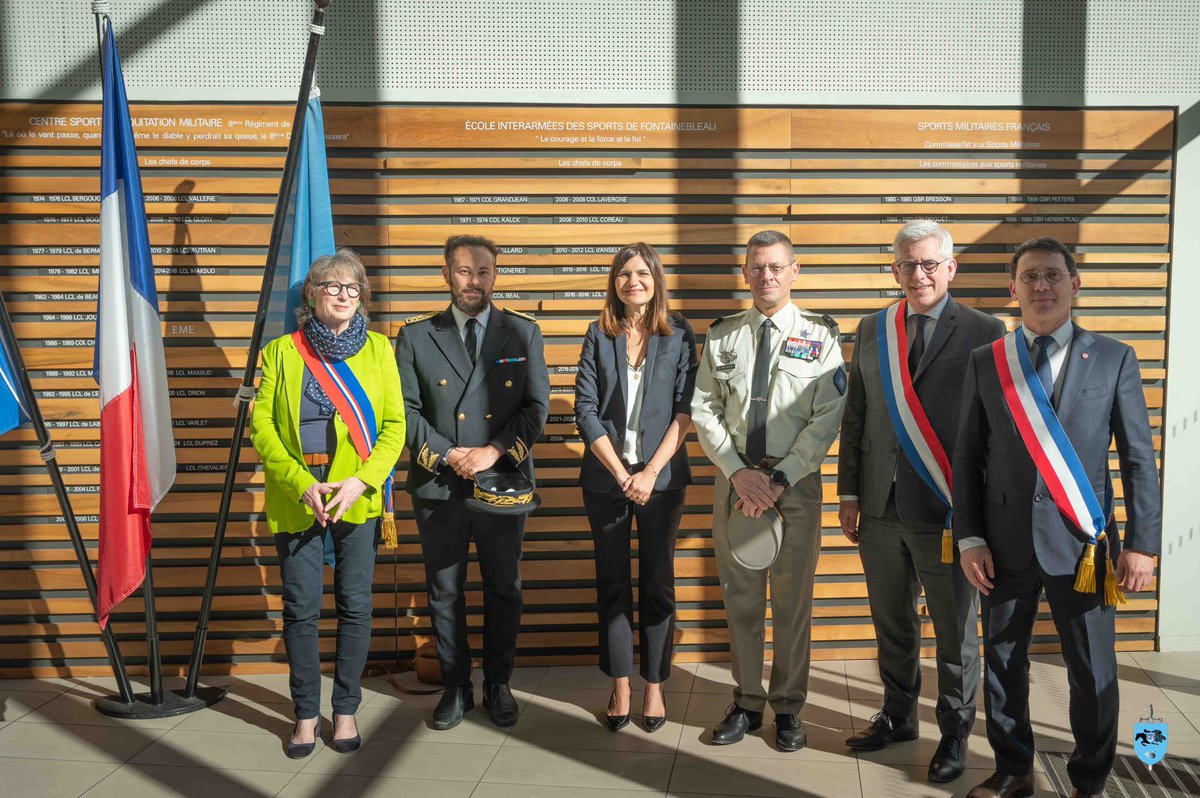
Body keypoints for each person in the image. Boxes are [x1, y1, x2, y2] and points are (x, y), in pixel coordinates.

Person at [954, 237, 1160, 798]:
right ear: (1012, 288)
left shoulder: (1115, 357)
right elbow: (968, 456)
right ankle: (1013, 769)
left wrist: (1142, 544)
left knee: (1093, 672)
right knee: (1001, 664)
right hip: (1002, 544)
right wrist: (969, 536)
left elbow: (1138, 456)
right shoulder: (987, 360)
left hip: (1085, 545)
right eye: (1029, 277)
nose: (1041, 286)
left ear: (1074, 283)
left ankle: (1089, 782)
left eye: (1052, 275)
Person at [837, 220, 1005, 782]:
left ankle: (955, 736)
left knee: (956, 632)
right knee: (892, 623)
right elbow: (856, 416)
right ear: (894, 270)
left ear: (951, 268)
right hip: (880, 507)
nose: (919, 274)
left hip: (948, 513)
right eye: (908, 264)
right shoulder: (871, 328)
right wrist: (850, 491)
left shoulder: (987, 330)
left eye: (930, 263)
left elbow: (995, 432)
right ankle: (898, 716)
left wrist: (980, 516)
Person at [691, 229, 847, 752]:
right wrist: (738, 472)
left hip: (794, 487)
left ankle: (788, 707)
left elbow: (828, 416)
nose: (767, 276)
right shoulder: (721, 335)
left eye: (777, 267)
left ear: (794, 270)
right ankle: (747, 702)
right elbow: (704, 409)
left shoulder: (820, 335)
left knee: (792, 602)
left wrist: (779, 478)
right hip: (735, 485)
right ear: (745, 273)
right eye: (758, 267)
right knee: (742, 601)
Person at [251, 249, 405, 757]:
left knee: (355, 606)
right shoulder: (280, 352)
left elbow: (394, 429)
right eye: (333, 287)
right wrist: (301, 482)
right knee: (300, 610)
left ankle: (344, 711)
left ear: (361, 297)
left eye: (352, 288)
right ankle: (302, 715)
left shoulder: (381, 350)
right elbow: (263, 428)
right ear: (312, 294)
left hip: (354, 498)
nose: (343, 295)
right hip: (300, 497)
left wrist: (361, 483)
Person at [395, 234, 550, 730]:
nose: (474, 281)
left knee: (504, 587)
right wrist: (448, 454)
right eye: (464, 271)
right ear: (446, 273)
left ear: (495, 276)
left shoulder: (522, 332)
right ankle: (456, 687)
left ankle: (499, 683)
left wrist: (492, 452)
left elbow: (536, 409)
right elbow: (405, 409)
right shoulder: (417, 336)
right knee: (445, 590)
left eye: (483, 272)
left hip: (501, 482)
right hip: (440, 484)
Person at [574, 242, 699, 733]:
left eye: (642, 273)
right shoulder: (597, 333)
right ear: (615, 282)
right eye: (625, 274)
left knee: (657, 583)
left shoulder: (680, 333)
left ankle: (654, 686)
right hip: (607, 480)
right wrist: (622, 474)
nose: (634, 281)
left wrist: (648, 473)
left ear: (656, 279)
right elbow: (584, 408)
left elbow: (686, 410)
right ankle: (620, 683)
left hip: (662, 480)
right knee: (612, 583)